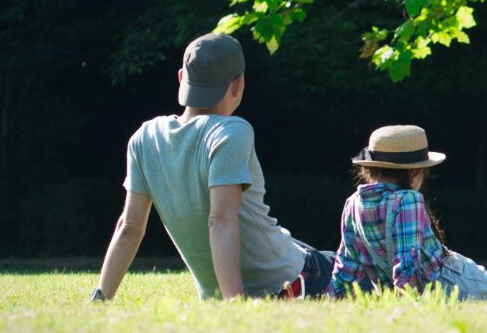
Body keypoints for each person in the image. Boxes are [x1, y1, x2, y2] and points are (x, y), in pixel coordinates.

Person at [92, 33, 334, 301]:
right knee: (358, 269)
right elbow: (220, 220)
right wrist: (234, 303)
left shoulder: (144, 138)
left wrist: (101, 298)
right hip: (293, 279)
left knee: (328, 256)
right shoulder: (230, 132)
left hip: (291, 258)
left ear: (182, 78)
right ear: (238, 84)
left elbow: (129, 226)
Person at [329, 125, 487, 300]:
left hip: (448, 275)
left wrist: (333, 298)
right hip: (450, 281)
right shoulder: (408, 200)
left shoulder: (353, 203)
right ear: (416, 172)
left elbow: (347, 265)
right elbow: (406, 264)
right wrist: (407, 302)